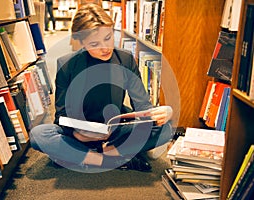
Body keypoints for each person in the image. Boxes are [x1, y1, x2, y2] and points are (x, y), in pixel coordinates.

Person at [30, 3, 174, 172]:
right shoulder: (67, 65)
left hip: (114, 130)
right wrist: (79, 134)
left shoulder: (125, 60)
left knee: (166, 130)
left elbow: (143, 107)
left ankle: (79, 157)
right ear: (82, 42)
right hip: (79, 135)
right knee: (39, 135)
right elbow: (61, 116)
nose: (105, 48)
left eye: (108, 38)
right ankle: (110, 159)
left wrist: (164, 113)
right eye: (94, 44)